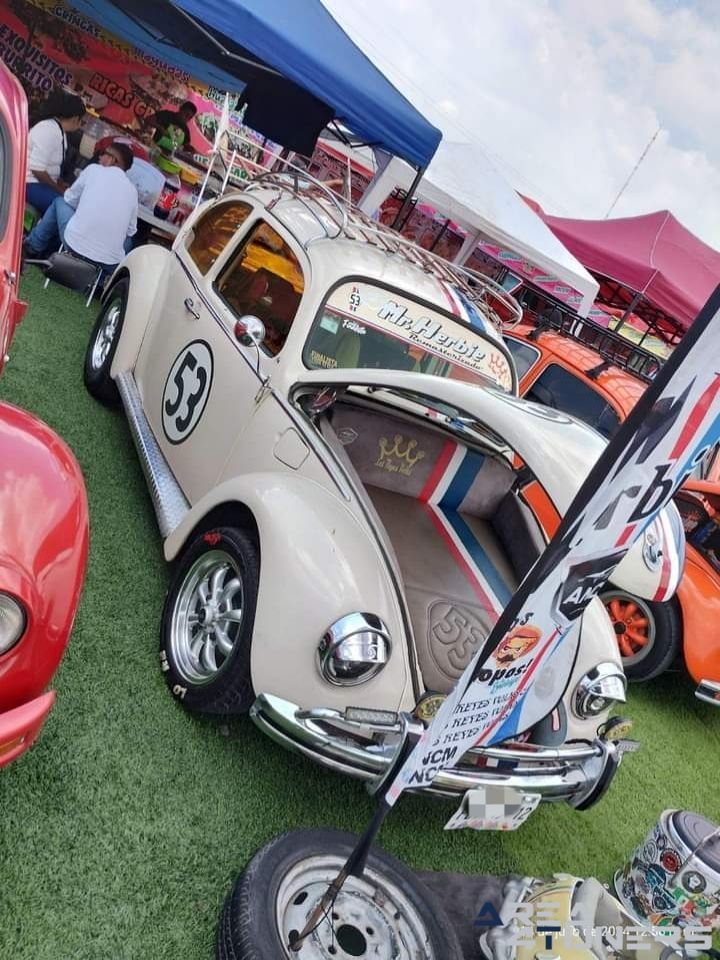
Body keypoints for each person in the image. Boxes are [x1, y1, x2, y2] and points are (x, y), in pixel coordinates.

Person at [25, 142, 137, 273]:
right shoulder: (132, 190)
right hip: (108, 261)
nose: (99, 157)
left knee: (59, 202)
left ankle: (32, 247)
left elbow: (69, 199)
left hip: (75, 245)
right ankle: (101, 281)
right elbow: (131, 231)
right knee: (128, 241)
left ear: (112, 159)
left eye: (102, 154)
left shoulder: (93, 169)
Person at [26, 92, 86, 214]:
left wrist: (60, 183)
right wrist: (58, 189)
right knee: (65, 210)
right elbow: (37, 170)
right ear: (75, 119)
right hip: (29, 183)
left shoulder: (58, 130)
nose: (80, 125)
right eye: (81, 121)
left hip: (39, 183)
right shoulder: (49, 130)